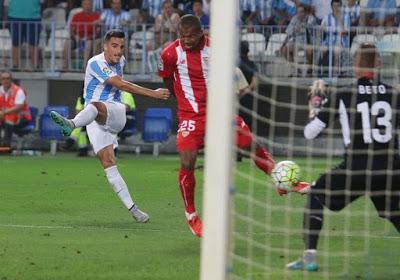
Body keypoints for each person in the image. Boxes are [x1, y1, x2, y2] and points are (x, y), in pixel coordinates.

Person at [158, 15, 310, 237]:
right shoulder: (170, 53)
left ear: (202, 32)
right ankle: (191, 215)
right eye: (182, 36)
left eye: (190, 36)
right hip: (191, 115)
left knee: (251, 146)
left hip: (220, 112)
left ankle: (283, 180)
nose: (186, 40)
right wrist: (184, 101)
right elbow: (167, 80)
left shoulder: (218, 49)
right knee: (188, 160)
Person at [287, 43, 400, 271]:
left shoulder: (343, 94)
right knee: (394, 212)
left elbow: (310, 133)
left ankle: (309, 258)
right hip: (390, 168)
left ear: (355, 65)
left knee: (316, 194)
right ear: (378, 64)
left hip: (357, 167)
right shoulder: (393, 94)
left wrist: (315, 106)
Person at [50, 29, 170, 223]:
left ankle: (71, 124)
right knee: (109, 164)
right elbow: (120, 83)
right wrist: (153, 93)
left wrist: (154, 93)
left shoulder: (119, 61)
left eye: (122, 47)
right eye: (114, 46)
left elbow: (120, 87)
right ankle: (134, 209)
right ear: (104, 46)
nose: (119, 51)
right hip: (94, 121)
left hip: (115, 113)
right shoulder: (95, 62)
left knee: (95, 106)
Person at [63, 0, 101, 71]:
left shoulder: (97, 16)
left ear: (92, 6)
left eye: (89, 5)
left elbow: (98, 32)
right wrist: (75, 36)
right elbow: (71, 29)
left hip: (90, 39)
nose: (87, 6)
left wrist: (89, 37)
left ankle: (85, 67)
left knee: (89, 43)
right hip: (77, 39)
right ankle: (65, 67)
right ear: (82, 6)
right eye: (85, 4)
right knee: (67, 43)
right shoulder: (77, 16)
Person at [0, 71, 32, 149]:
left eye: (8, 78)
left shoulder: (18, 91)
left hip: (22, 118)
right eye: (3, 79)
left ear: (11, 80)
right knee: (7, 119)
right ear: (0, 80)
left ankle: (6, 146)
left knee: (9, 120)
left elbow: (19, 107)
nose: (6, 81)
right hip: (5, 116)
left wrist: (3, 113)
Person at [8, 0, 42, 70]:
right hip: (15, 15)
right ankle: (15, 66)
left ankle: (36, 67)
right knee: (15, 42)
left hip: (33, 17)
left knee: (33, 43)